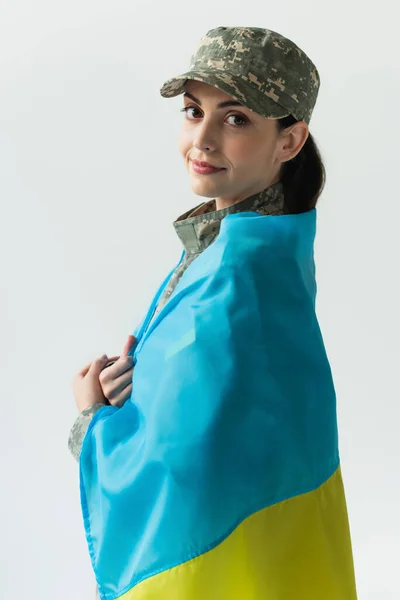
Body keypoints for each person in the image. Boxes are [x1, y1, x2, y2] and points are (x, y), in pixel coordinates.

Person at [69, 26, 358, 600]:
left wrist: (92, 424)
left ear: (290, 141)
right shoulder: (270, 246)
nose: (201, 138)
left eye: (236, 118)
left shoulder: (235, 278)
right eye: (193, 110)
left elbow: (175, 475)